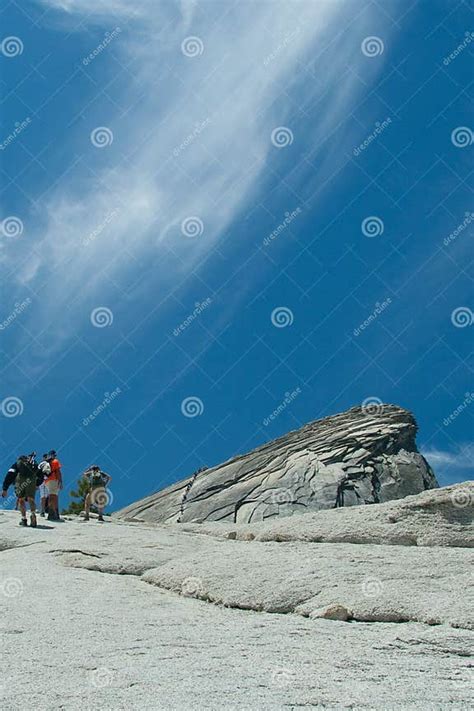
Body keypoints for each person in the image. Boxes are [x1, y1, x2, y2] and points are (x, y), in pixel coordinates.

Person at [2, 453, 39, 527]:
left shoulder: (17, 464)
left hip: (20, 480)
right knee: (30, 498)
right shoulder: (32, 465)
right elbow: (40, 473)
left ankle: (24, 519)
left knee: (21, 499)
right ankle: (33, 515)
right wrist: (37, 484)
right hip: (31, 480)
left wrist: (5, 488)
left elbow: (10, 475)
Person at [45, 450, 63, 521]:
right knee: (53, 496)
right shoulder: (55, 461)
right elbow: (58, 471)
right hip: (53, 479)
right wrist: (60, 481)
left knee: (53, 496)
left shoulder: (46, 462)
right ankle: (52, 513)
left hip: (47, 481)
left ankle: (55, 513)